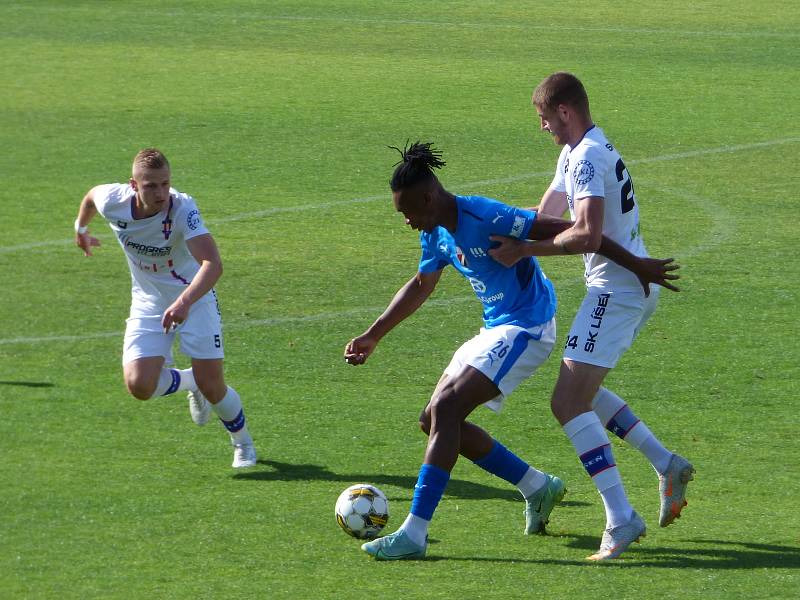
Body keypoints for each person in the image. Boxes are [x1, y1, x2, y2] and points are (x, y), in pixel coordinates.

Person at [344, 141, 677, 561]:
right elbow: (421, 285)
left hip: (529, 327)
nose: (407, 221)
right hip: (495, 328)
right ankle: (538, 487)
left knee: (447, 406)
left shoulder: (486, 216)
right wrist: (374, 335)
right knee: (433, 420)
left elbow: (573, 231)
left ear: (429, 197)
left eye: (407, 211)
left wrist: (635, 263)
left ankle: (415, 533)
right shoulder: (436, 232)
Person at [489, 72, 693, 560]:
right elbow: (545, 211)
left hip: (616, 293)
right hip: (623, 289)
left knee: (566, 402)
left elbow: (585, 234)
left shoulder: (584, 158)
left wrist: (525, 252)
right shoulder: (579, 152)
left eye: (544, 119)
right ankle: (666, 463)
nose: (543, 128)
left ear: (564, 112)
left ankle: (621, 519)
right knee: (585, 391)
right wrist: (482, 221)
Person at [73, 148, 256, 468]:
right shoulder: (113, 201)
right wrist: (81, 230)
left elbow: (213, 265)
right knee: (139, 385)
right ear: (134, 185)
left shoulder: (183, 209)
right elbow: (90, 197)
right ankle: (190, 382)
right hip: (148, 301)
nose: (160, 193)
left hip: (194, 299)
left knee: (214, 386)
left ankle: (243, 443)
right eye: (151, 186)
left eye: (165, 183)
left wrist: (185, 302)